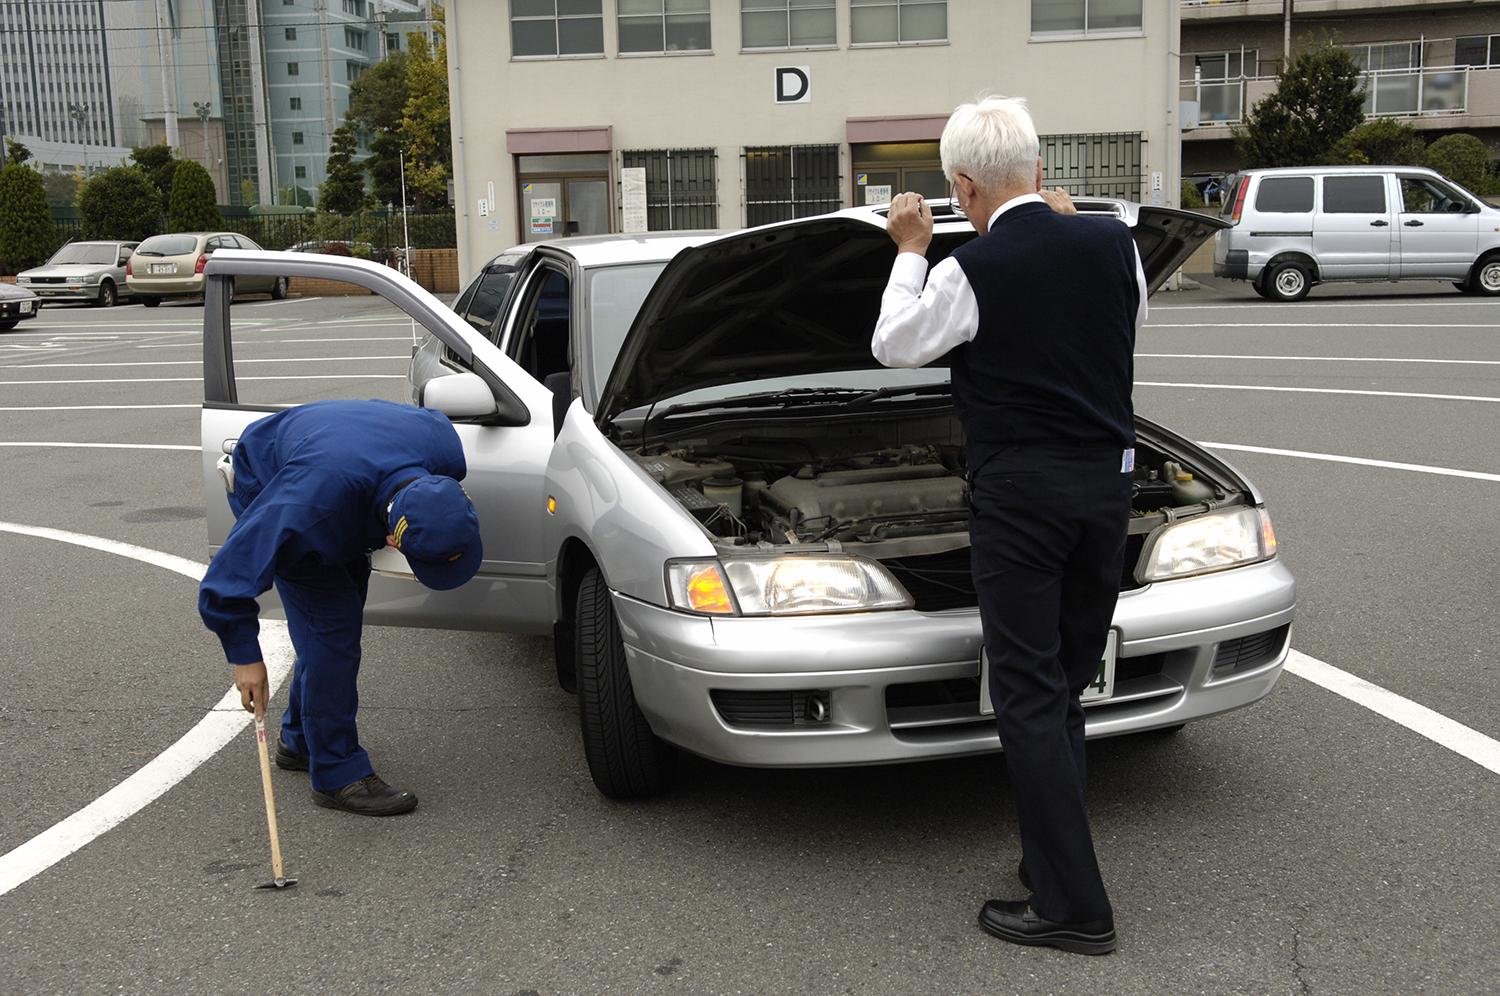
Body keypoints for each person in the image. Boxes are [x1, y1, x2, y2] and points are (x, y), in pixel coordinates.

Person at [870, 96, 1147, 955]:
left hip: (1023, 499)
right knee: (1064, 683)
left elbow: (893, 344)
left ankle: (1074, 909)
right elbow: (1116, 315)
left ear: (960, 185)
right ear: (1037, 167)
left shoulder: (971, 268)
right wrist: (1062, 225)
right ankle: (1049, 862)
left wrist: (912, 254)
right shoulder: (1115, 244)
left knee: (1025, 693)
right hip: (1108, 489)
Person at [199, 399, 484, 817]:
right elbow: (227, 579)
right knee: (333, 631)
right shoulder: (306, 507)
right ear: (392, 540)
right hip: (268, 475)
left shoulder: (443, 449)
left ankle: (300, 739)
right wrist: (246, 658)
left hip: (339, 463)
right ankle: (336, 772)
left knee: (339, 613)